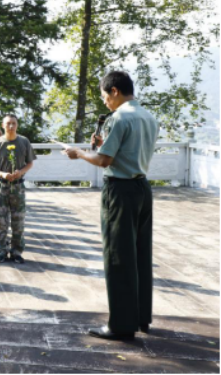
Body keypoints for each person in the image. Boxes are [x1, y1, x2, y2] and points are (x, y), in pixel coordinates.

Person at [64, 71, 159, 342]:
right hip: (142, 188)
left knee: (118, 256)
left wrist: (80, 153)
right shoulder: (148, 116)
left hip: (120, 190)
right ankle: (140, 317)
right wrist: (103, 146)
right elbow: (126, 151)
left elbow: (104, 161)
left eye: (105, 96)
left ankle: (120, 325)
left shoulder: (118, 117)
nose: (105, 102)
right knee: (140, 254)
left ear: (115, 91)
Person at [0, 115, 37, 265]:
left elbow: (30, 162)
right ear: (3, 125)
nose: (11, 126)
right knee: (0, 221)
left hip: (18, 187)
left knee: (18, 221)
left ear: (17, 125)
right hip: (1, 186)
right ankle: (1, 251)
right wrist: (1, 173)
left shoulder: (24, 141)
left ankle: (16, 252)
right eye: (8, 123)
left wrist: (21, 172)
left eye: (13, 123)